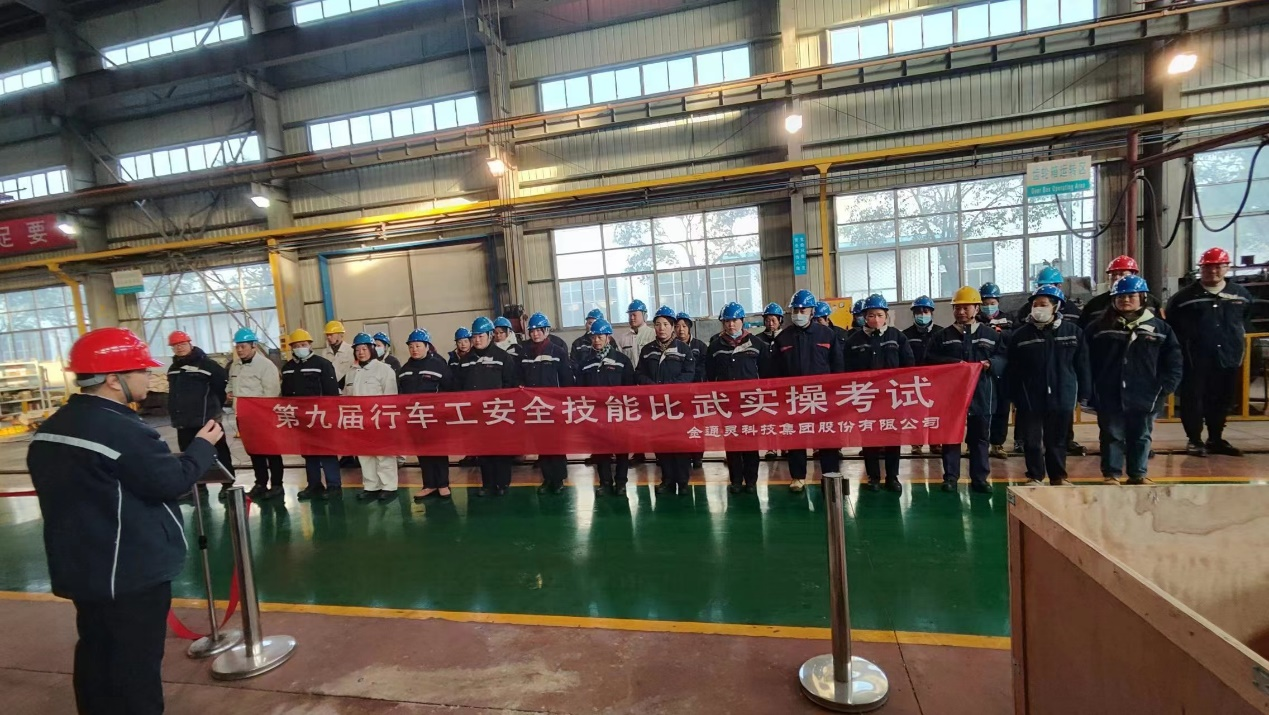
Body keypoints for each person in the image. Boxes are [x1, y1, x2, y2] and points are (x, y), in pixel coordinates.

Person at [28, 327, 224, 715]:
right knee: (135, 669)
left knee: (97, 656)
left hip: (83, 567)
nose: (149, 377)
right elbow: (170, 482)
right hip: (129, 571)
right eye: (141, 371)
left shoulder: (51, 429)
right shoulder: (121, 429)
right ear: (114, 379)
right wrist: (202, 447)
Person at [1088, 276, 1183, 484]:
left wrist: (1165, 387)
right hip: (1109, 392)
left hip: (1146, 393)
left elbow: (1174, 361)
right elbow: (1086, 360)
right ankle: (1111, 475)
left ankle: (1138, 474)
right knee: (1112, 435)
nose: (1125, 300)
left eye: (1131, 296)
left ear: (1143, 298)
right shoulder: (1099, 328)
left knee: (1141, 435)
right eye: (1120, 296)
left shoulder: (1160, 329)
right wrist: (1092, 388)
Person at [1167, 247, 1253, 456]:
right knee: (1193, 400)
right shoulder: (1183, 298)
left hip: (1228, 358)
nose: (1213, 271)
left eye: (1218, 266)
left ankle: (1216, 438)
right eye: (1207, 267)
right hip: (1194, 360)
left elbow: (1245, 320)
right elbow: (1171, 326)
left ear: (1227, 267)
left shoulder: (1240, 295)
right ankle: (1194, 440)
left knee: (1222, 399)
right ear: (1201, 269)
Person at [926, 286, 1007, 495]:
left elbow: (1003, 358)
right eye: (957, 308)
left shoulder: (991, 335)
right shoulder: (942, 336)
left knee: (979, 438)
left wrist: (991, 363)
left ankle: (980, 479)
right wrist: (953, 364)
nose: (961, 312)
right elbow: (929, 360)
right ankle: (950, 478)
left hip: (982, 394)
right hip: (951, 395)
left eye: (966, 307)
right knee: (951, 437)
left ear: (976, 308)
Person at [1007, 286, 1090, 487]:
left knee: (1057, 440)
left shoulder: (1073, 332)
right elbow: (1012, 368)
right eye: (1035, 305)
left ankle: (1058, 477)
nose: (1038, 308)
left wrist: (1085, 392)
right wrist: (1013, 395)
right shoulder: (1020, 336)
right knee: (1032, 441)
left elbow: (1083, 364)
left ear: (1056, 306)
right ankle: (1035, 476)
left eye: (1043, 304)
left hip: (1062, 395)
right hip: (1030, 397)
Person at [773, 289, 844, 493]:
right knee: (796, 437)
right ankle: (798, 477)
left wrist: (836, 394)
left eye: (803, 310)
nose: (799, 313)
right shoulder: (783, 338)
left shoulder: (827, 334)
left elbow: (838, 366)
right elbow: (775, 371)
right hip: (794, 398)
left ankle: (830, 475)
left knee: (827, 437)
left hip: (823, 398)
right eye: (796, 310)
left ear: (812, 311)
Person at [844, 294, 914, 492]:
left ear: (886, 316)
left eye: (880, 315)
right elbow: (847, 369)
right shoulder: (853, 340)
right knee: (869, 438)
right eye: (871, 315)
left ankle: (892, 477)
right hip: (866, 398)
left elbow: (909, 364)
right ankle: (873, 477)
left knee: (893, 437)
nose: (876, 319)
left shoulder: (897, 337)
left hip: (892, 398)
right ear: (864, 316)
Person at [706, 302, 772, 493]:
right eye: (727, 321)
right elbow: (710, 374)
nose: (731, 324)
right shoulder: (715, 346)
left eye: (734, 320)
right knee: (732, 442)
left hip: (751, 403)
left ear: (742, 321)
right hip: (727, 404)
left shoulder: (757, 344)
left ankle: (751, 481)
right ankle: (735, 480)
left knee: (751, 442)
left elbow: (766, 374)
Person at [165, 330, 233, 502]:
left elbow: (221, 388)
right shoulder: (173, 369)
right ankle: (198, 487)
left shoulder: (208, 365)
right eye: (175, 346)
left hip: (207, 419)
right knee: (189, 453)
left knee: (219, 451)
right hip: (183, 421)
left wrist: (213, 408)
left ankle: (228, 485)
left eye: (182, 344)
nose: (179, 348)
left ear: (190, 344)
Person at [457, 317, 520, 496]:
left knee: (500, 449)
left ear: (490, 335)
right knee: (482, 449)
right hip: (476, 412)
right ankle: (487, 483)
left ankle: (502, 483)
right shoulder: (466, 360)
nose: (477, 340)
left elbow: (510, 383)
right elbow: (459, 385)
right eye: (474, 336)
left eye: (481, 336)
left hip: (498, 412)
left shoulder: (502, 357)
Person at [638, 306, 697, 494]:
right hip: (656, 406)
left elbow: (689, 373)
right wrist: (652, 386)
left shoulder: (683, 349)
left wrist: (671, 388)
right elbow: (639, 373)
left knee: (680, 444)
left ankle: (683, 482)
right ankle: (667, 480)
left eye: (665, 324)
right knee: (661, 444)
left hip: (678, 405)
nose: (661, 328)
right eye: (657, 324)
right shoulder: (647, 350)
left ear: (672, 327)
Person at [575, 318, 636, 495]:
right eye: (593, 337)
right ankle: (605, 482)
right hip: (597, 414)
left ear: (608, 337)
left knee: (622, 448)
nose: (596, 340)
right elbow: (580, 389)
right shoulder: (586, 363)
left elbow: (630, 387)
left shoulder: (622, 361)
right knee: (600, 448)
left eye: (600, 336)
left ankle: (621, 482)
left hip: (618, 412)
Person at [281, 329, 343, 500]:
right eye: (296, 345)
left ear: (309, 345)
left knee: (327, 451)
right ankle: (314, 484)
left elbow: (331, 393)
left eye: (303, 344)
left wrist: (330, 415)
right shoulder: (287, 368)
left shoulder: (322, 364)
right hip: (301, 419)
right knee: (308, 452)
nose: (300, 348)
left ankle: (334, 485)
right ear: (291, 348)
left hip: (321, 417)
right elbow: (285, 394)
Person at [519, 312, 575, 494]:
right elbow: (519, 377)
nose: (535, 334)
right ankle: (547, 477)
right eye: (532, 331)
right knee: (541, 444)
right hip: (535, 407)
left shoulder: (558, 352)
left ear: (547, 331)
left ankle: (558, 479)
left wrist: (564, 405)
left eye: (539, 330)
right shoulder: (524, 353)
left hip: (554, 407)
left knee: (556, 444)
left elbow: (567, 380)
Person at [227, 327, 284, 500]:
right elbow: (230, 385)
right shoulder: (235, 366)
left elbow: (272, 393)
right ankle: (261, 483)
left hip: (263, 417)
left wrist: (262, 412)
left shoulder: (265, 366)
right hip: (243, 417)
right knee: (254, 451)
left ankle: (277, 485)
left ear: (253, 345)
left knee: (271, 451)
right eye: (237, 346)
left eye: (243, 346)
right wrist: (229, 392)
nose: (239, 350)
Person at [398, 329, 455, 501]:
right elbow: (400, 394)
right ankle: (429, 484)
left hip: (436, 417)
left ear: (427, 346)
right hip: (415, 418)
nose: (414, 349)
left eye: (418, 346)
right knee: (422, 452)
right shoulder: (404, 369)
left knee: (439, 450)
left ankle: (443, 484)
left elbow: (450, 389)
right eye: (411, 346)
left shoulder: (438, 365)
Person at [344, 333, 400, 501]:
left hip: (379, 420)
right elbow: (347, 397)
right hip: (359, 421)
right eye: (357, 350)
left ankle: (389, 486)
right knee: (365, 455)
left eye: (364, 349)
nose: (361, 352)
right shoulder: (351, 372)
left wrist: (386, 420)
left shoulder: (384, 370)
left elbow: (391, 396)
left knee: (384, 455)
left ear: (372, 349)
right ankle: (371, 487)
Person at [977, 283, 1014, 460]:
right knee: (978, 409)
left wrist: (1001, 334)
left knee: (1002, 407)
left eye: (992, 303)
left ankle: (997, 444)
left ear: (998, 302)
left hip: (1003, 370)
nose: (988, 306)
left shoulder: (1009, 320)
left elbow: (1016, 338)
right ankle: (975, 443)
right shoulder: (975, 320)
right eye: (985, 303)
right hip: (980, 371)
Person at [903, 295, 942, 456]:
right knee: (915, 413)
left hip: (936, 381)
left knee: (936, 412)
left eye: (925, 311)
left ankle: (936, 443)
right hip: (914, 382)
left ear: (931, 313)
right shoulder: (906, 335)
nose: (922, 315)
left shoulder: (941, 333)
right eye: (918, 312)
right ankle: (916, 444)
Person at [1079, 255, 1163, 329]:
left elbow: (1161, 328)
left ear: (1134, 275)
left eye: (1122, 274)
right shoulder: (1094, 304)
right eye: (1113, 274)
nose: (1116, 277)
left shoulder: (1152, 302)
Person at [675, 311, 709, 469]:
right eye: (677, 326)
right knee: (681, 425)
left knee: (698, 424)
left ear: (689, 328)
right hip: (679, 393)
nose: (681, 329)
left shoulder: (700, 346)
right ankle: (684, 455)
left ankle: (697, 456)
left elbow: (705, 367)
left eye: (684, 326)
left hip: (697, 392)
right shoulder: (672, 347)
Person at [617, 299, 656, 368]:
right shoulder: (623, 339)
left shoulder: (653, 334)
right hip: (629, 374)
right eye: (630, 315)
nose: (632, 318)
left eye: (634, 315)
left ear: (644, 316)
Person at [322, 320, 354, 389]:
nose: (328, 337)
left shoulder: (351, 350)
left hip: (347, 389)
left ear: (340, 334)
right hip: (331, 388)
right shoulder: (324, 352)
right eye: (327, 335)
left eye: (331, 334)